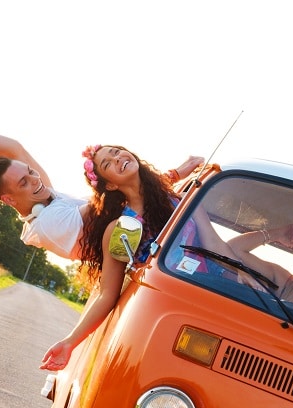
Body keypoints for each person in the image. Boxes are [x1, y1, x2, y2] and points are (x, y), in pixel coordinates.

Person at [0, 122, 203, 260]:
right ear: (9, 199)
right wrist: (174, 174)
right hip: (146, 253)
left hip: (151, 234)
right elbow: (113, 201)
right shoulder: (49, 223)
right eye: (23, 182)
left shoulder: (46, 198)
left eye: (30, 172)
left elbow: (14, 148)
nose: (35, 180)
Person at [39, 144, 184, 371]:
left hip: (217, 285)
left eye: (116, 152)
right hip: (173, 306)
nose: (117, 158)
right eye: (108, 163)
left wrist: (261, 235)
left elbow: (215, 244)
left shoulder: (174, 200)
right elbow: (108, 294)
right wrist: (70, 342)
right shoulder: (122, 228)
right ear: (111, 184)